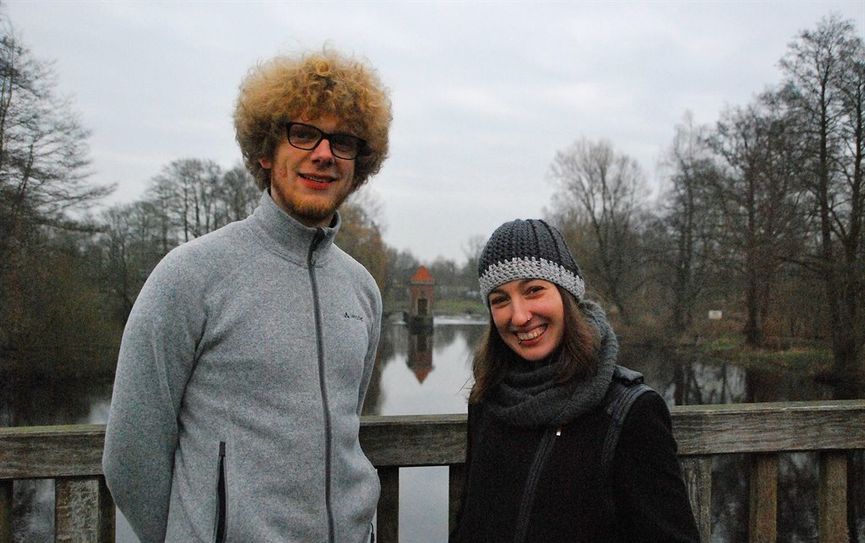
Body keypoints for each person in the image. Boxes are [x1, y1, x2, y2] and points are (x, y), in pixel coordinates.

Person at [102, 49, 392, 542]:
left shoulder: (362, 290)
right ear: (265, 150)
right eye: (302, 133)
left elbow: (346, 424)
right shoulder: (189, 276)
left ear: (357, 166)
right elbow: (131, 454)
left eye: (342, 142)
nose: (323, 153)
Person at [450, 219, 700, 543]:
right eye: (500, 299)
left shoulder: (629, 414)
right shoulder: (488, 399)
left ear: (567, 294)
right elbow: (470, 523)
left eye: (534, 290)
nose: (519, 316)